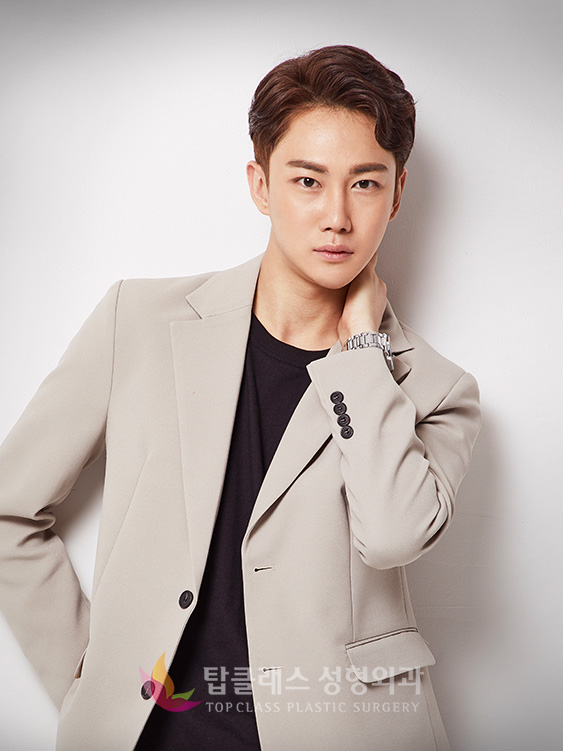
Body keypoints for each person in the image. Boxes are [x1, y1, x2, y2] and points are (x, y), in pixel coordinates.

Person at [0, 45, 481, 750]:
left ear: (398, 193)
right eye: (308, 180)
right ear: (260, 184)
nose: (337, 216)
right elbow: (10, 507)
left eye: (365, 184)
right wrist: (88, 680)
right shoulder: (137, 322)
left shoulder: (437, 390)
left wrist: (360, 351)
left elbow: (391, 535)